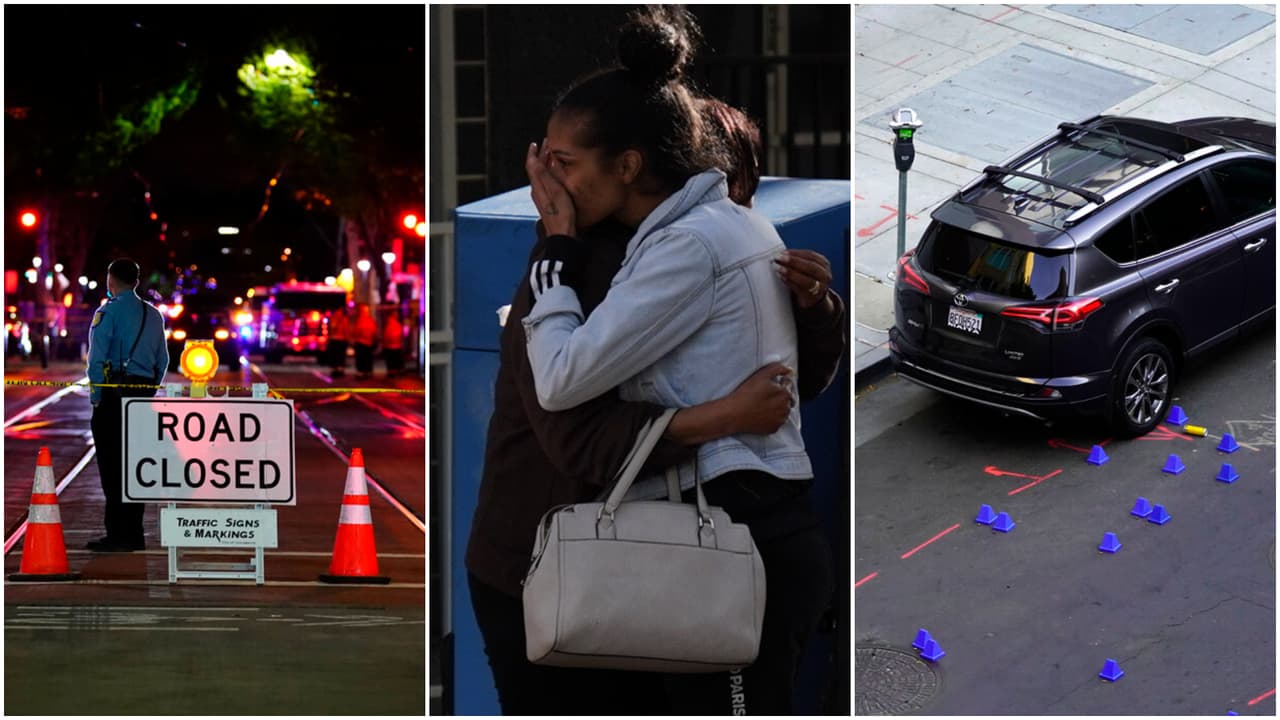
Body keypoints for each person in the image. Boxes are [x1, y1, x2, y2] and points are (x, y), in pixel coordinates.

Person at [469, 7, 841, 715]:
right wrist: (717, 417)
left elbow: (567, 381)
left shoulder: (684, 247)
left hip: (682, 550)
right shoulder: (659, 246)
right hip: (552, 567)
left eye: (562, 164)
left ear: (632, 165)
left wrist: (817, 309)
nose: (544, 181)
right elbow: (570, 422)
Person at [85, 258, 168, 552]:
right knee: (136, 465)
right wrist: (149, 391)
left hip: (113, 394)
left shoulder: (107, 312)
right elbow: (163, 360)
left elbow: (96, 361)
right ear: (136, 281)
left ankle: (117, 534)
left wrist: (97, 397)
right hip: (142, 395)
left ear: (111, 280)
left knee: (111, 465)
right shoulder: (154, 315)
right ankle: (134, 533)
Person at [351, 303, 376, 379]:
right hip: (361, 343)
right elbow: (356, 331)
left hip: (367, 343)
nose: (365, 312)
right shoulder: (360, 320)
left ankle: (366, 372)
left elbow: (373, 330)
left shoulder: (368, 320)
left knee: (366, 358)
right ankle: (362, 372)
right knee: (362, 358)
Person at [327, 304, 350, 377]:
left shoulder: (333, 318)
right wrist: (347, 338)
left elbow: (330, 329)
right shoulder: (344, 319)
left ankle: (334, 370)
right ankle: (340, 371)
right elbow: (346, 330)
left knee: (334, 356)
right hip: (341, 340)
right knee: (340, 356)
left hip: (333, 339)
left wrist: (329, 338)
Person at [381, 311, 404, 377]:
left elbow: (386, 335)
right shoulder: (396, 324)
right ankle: (395, 372)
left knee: (391, 361)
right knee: (395, 360)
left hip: (390, 346)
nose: (397, 316)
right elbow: (398, 334)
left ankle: (392, 372)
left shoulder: (389, 324)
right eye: (396, 314)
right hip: (396, 345)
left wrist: (384, 343)